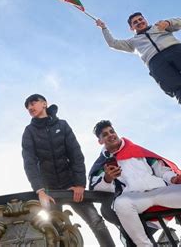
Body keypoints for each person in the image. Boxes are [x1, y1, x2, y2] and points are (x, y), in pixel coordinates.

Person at [21, 94, 115, 246]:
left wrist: (79, 184)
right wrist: (40, 190)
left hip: (72, 187)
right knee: (55, 232)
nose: (30, 108)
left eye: (33, 103)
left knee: (96, 221)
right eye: (27, 106)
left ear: (44, 103)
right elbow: (29, 162)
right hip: (50, 191)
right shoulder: (29, 131)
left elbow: (76, 155)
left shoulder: (62, 125)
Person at [89, 120, 181, 246]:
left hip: (160, 191)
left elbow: (160, 169)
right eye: (105, 134)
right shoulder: (102, 163)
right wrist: (107, 179)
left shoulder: (137, 150)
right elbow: (96, 188)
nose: (110, 135)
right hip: (135, 197)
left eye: (112, 131)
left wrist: (173, 178)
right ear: (100, 141)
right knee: (121, 204)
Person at [96, 13, 181, 114]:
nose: (139, 22)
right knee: (180, 90)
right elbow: (113, 43)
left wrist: (168, 22)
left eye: (140, 19)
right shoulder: (132, 42)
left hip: (176, 50)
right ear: (131, 28)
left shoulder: (159, 26)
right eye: (135, 22)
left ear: (145, 20)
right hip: (156, 63)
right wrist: (104, 28)